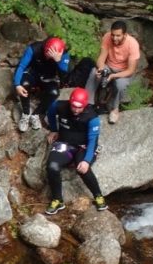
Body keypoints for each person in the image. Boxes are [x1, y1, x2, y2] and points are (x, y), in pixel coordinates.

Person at [44, 87, 107, 215]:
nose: (76, 110)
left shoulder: (92, 117)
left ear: (85, 105)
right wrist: (53, 129)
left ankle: (98, 196)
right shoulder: (60, 106)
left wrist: (87, 161)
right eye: (74, 106)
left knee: (82, 167)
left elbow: (92, 140)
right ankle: (57, 199)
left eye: (80, 107)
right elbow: (50, 112)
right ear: (70, 102)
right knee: (52, 166)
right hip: (65, 144)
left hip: (84, 146)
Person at [84, 20, 141, 124]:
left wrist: (113, 76)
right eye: (113, 35)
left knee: (120, 84)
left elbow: (130, 70)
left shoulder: (133, 44)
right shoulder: (107, 37)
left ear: (125, 34)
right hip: (109, 66)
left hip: (123, 72)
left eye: (118, 35)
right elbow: (101, 58)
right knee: (93, 72)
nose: (114, 38)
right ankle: (88, 103)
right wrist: (101, 68)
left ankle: (114, 110)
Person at [13, 36, 70, 132]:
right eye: (47, 53)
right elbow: (21, 66)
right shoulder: (35, 48)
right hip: (33, 73)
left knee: (54, 93)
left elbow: (64, 77)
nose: (48, 57)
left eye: (51, 55)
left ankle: (36, 114)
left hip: (48, 77)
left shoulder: (63, 55)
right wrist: (17, 84)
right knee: (24, 84)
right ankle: (26, 113)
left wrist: (58, 61)